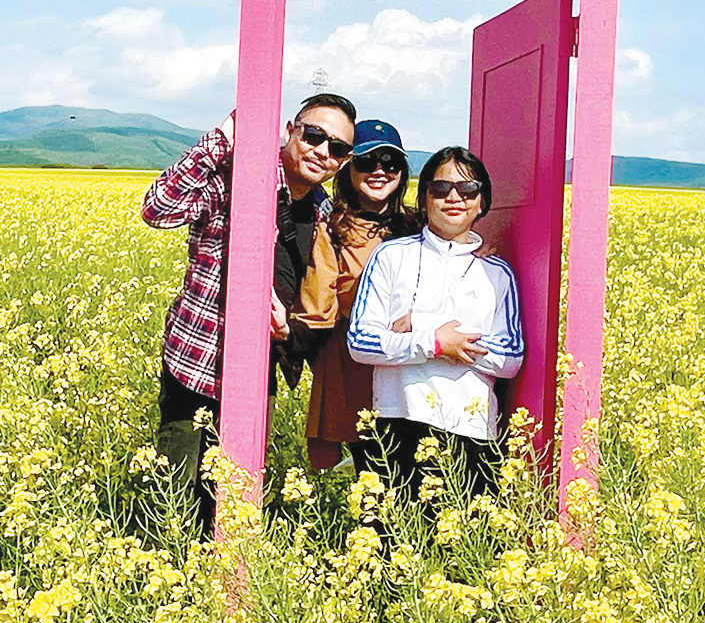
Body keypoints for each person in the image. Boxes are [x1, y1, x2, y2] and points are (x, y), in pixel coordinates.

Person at [141, 92, 357, 534]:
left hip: (258, 374)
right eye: (314, 136)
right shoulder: (235, 180)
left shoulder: (322, 211)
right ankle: (168, 566)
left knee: (234, 498)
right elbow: (157, 210)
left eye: (337, 148)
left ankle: (224, 574)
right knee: (175, 495)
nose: (322, 152)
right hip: (197, 364)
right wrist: (223, 138)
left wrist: (287, 330)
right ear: (291, 131)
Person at [346, 146, 523, 502]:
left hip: (471, 431)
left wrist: (424, 325)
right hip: (397, 423)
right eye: (441, 188)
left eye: (467, 189)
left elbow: (510, 357)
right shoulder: (391, 256)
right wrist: (435, 343)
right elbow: (361, 341)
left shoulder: (497, 273)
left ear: (482, 202)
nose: (454, 198)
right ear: (425, 198)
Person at [291, 120, 419, 472]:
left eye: (390, 162)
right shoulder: (331, 228)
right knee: (373, 470)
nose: (379, 171)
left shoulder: (419, 226)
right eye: (366, 162)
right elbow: (319, 305)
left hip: (414, 365)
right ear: (348, 168)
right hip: (355, 372)